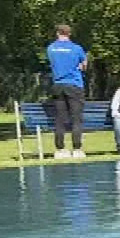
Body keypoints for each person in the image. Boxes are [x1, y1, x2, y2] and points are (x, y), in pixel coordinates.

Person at [45, 24, 89, 158]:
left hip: (58, 85)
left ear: (58, 33)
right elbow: (84, 64)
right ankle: (76, 148)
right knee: (76, 118)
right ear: (69, 34)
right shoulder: (76, 48)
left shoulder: (51, 48)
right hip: (74, 85)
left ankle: (60, 149)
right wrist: (80, 66)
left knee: (60, 118)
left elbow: (53, 64)